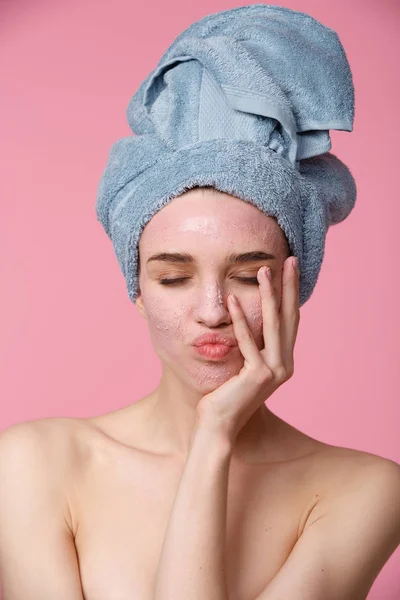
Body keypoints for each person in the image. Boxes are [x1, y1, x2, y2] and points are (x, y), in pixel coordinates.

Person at [1, 5, 399, 600]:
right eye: (173, 278)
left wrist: (213, 437)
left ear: (296, 284)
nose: (212, 310)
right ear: (136, 291)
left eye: (247, 274)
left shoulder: (364, 490)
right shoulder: (30, 466)